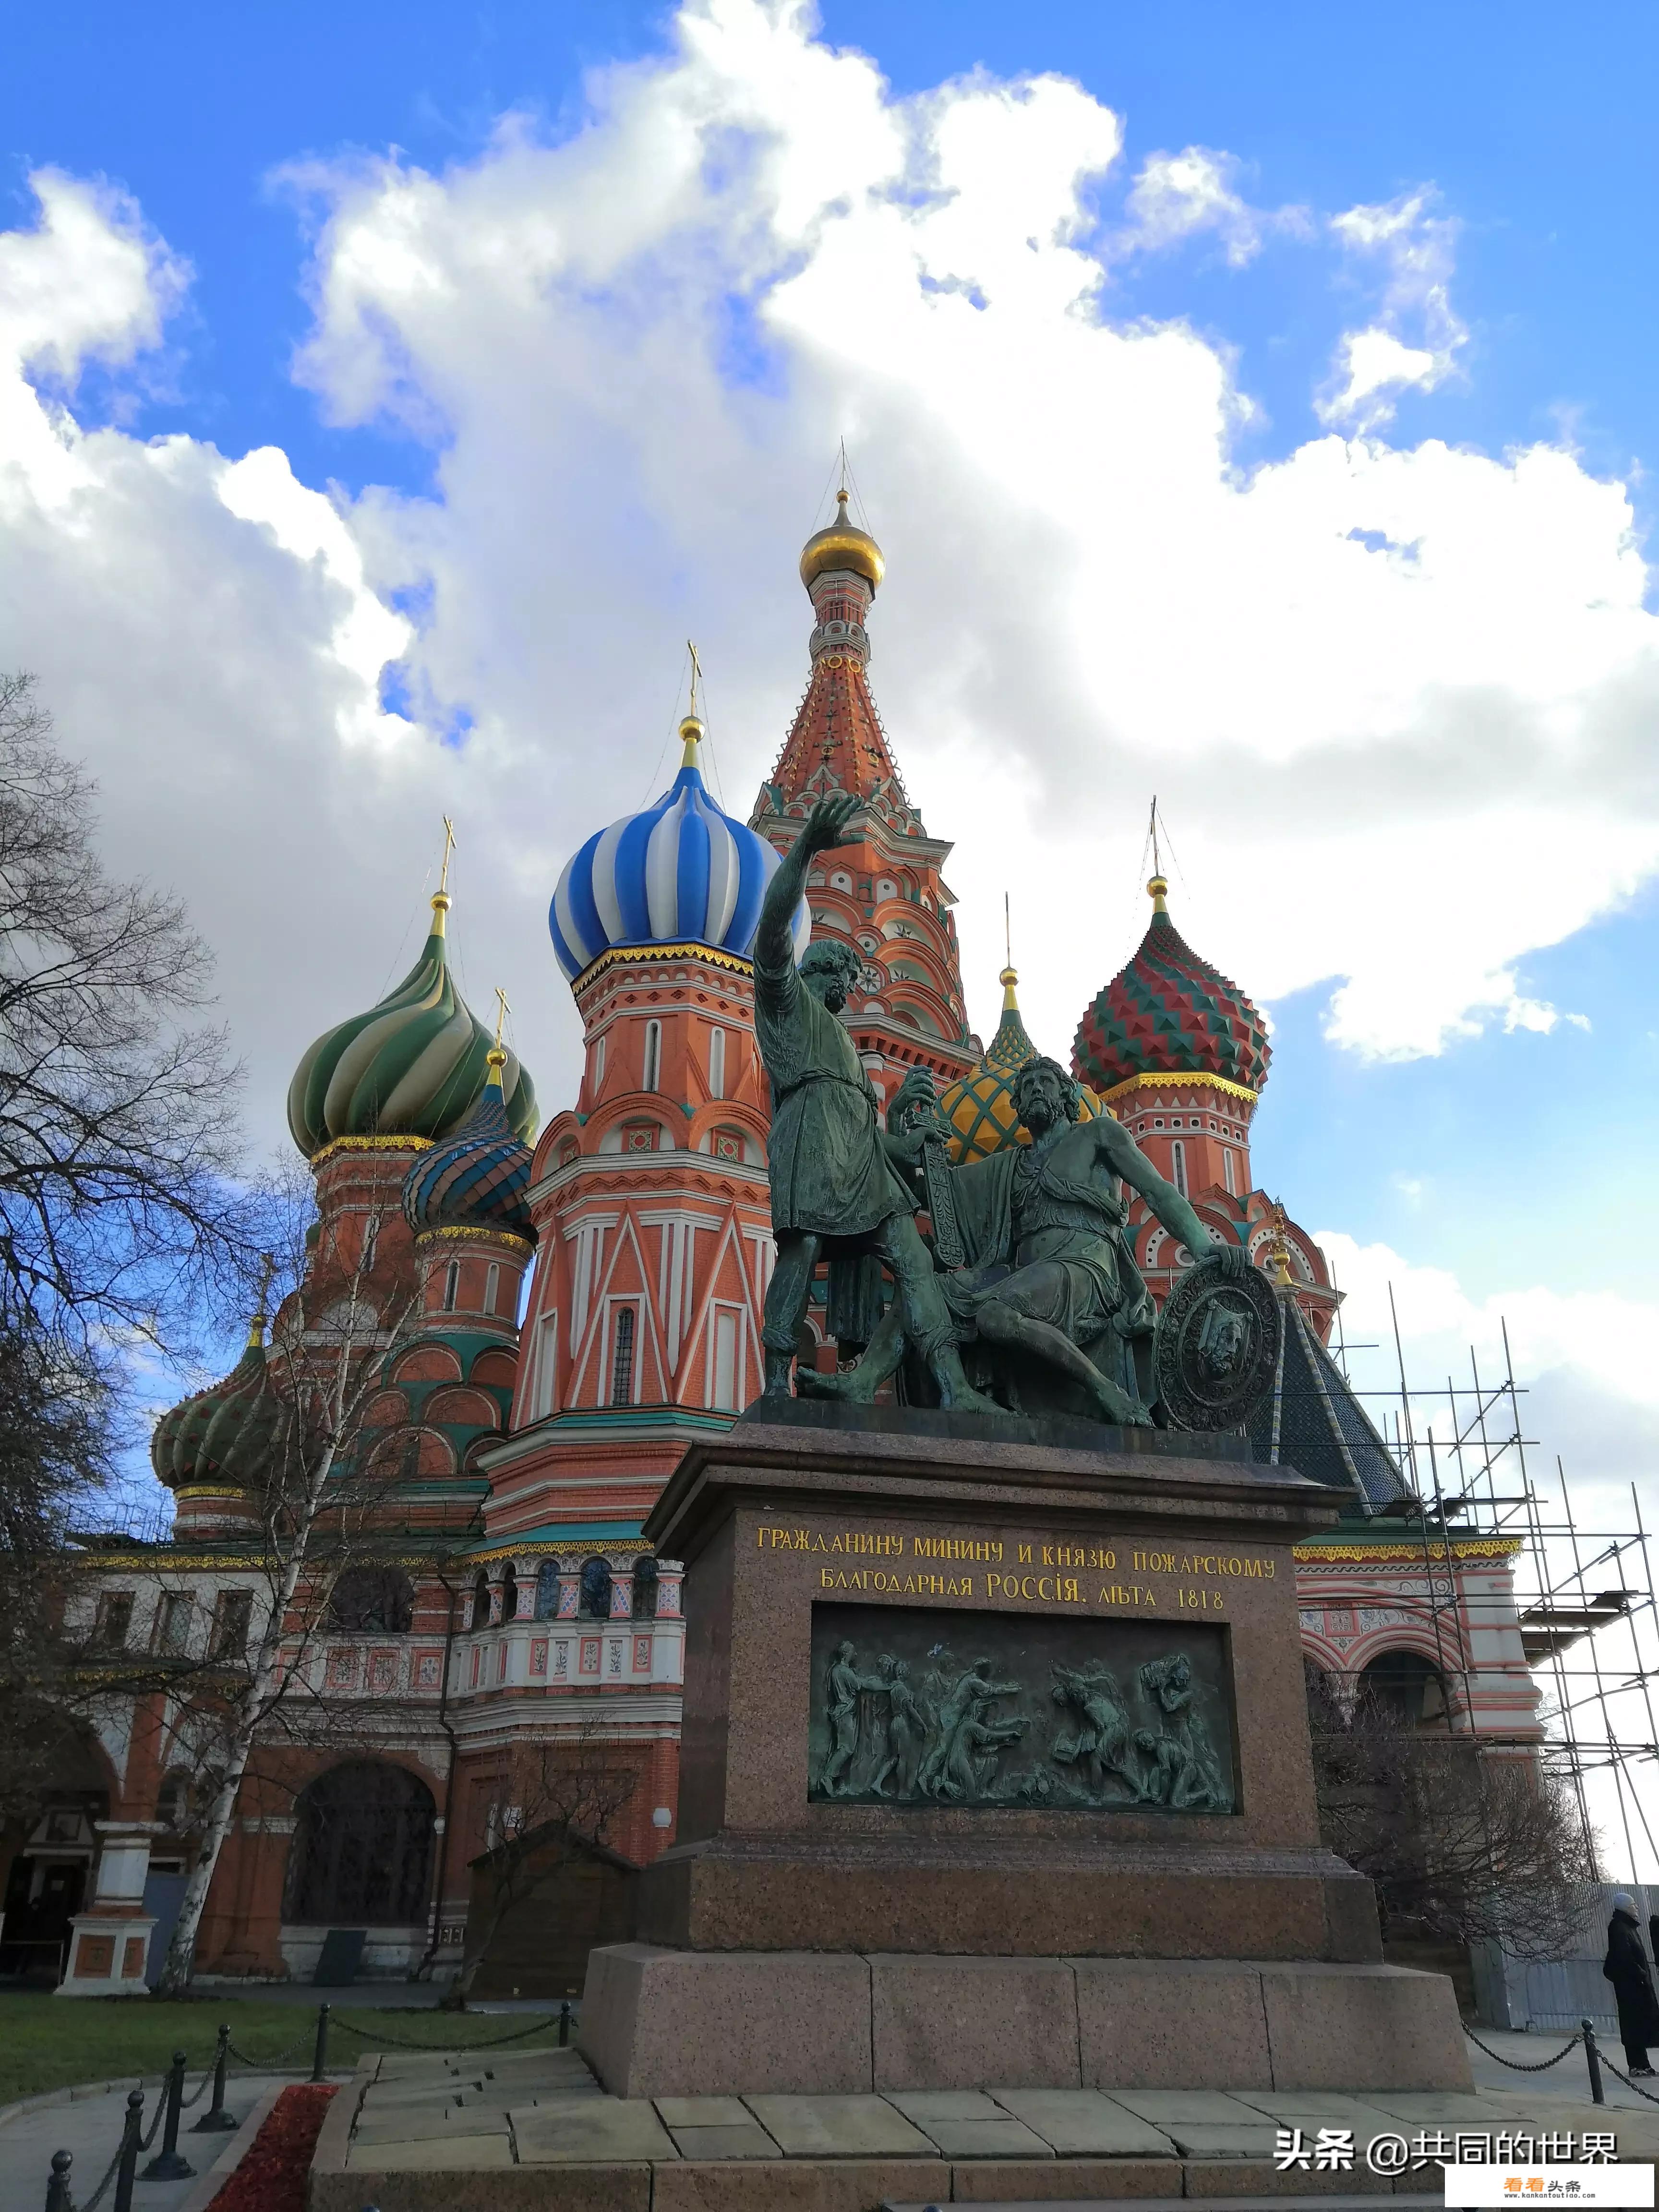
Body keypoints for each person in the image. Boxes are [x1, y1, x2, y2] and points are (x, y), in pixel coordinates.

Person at [751, 792, 996, 1412]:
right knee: (802, 1252)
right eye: (844, 977)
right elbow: (774, 932)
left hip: (863, 1167)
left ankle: (954, 1386)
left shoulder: (843, 1046)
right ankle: (777, 1377)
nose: (851, 989)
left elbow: (861, 1131)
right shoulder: (788, 1007)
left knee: (914, 1261)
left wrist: (903, 1142)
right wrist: (807, 847)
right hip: (808, 1146)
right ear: (822, 972)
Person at [1603, 1892, 1659, 2076]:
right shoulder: (1619, 1928)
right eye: (1634, 1904)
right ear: (1626, 1907)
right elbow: (1624, 1957)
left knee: (1640, 2024)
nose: (1637, 1907)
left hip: (1637, 1985)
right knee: (1633, 2024)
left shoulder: (1628, 1927)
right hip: (1631, 1987)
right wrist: (1640, 1974)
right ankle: (1636, 2065)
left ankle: (1643, 2064)